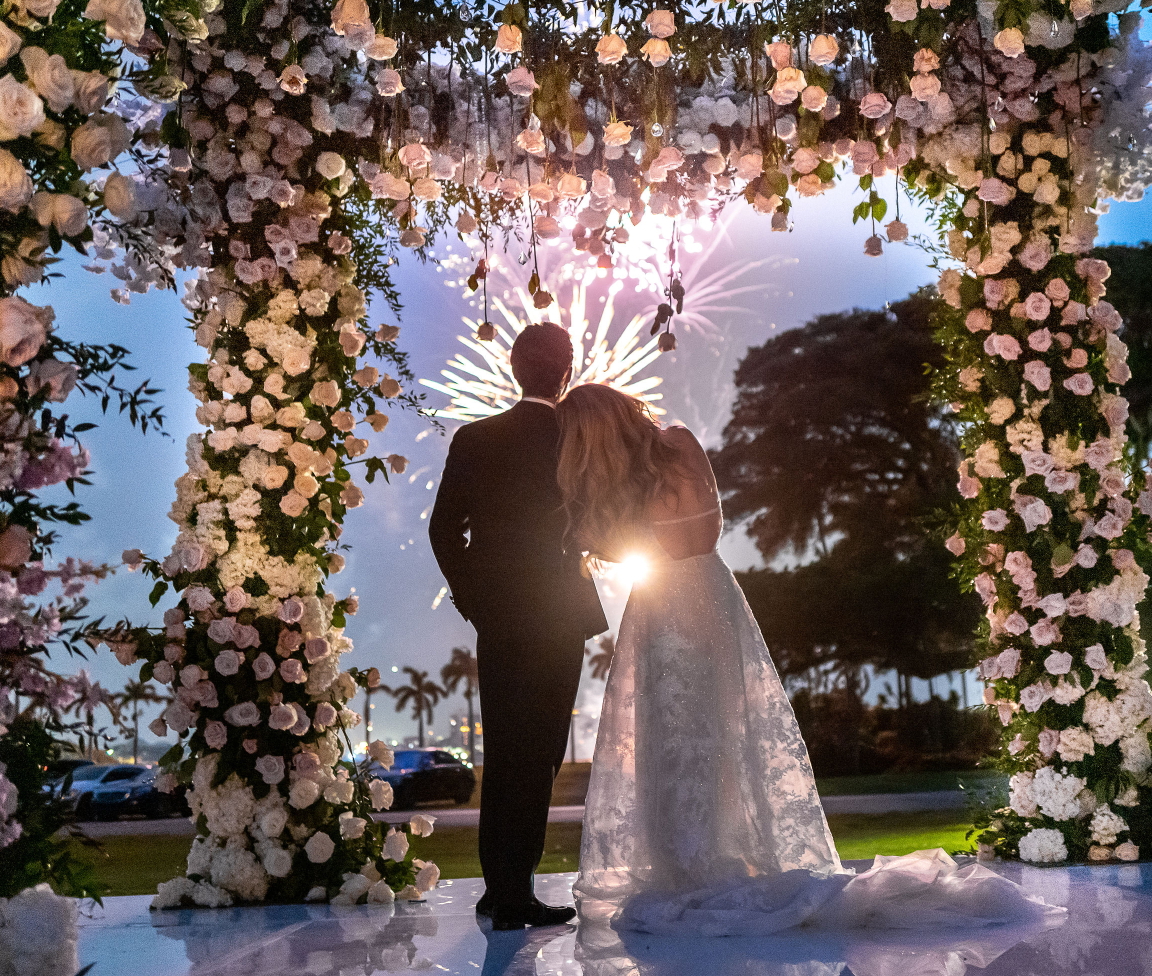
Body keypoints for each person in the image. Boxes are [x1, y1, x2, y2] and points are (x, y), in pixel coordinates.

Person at [556, 383, 1060, 937]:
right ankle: (728, 849)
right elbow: (711, 528)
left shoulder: (612, 489)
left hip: (654, 607)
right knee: (724, 730)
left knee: (671, 738)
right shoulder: (678, 444)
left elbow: (606, 549)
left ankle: (688, 862)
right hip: (707, 592)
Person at [429, 323, 609, 931]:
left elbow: (442, 531)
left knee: (506, 748)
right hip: (558, 614)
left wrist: (478, 603)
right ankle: (513, 892)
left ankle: (500, 885)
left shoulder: (474, 437)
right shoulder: (577, 434)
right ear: (566, 370)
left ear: (511, 367)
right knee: (541, 752)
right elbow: (596, 521)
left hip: (500, 618)